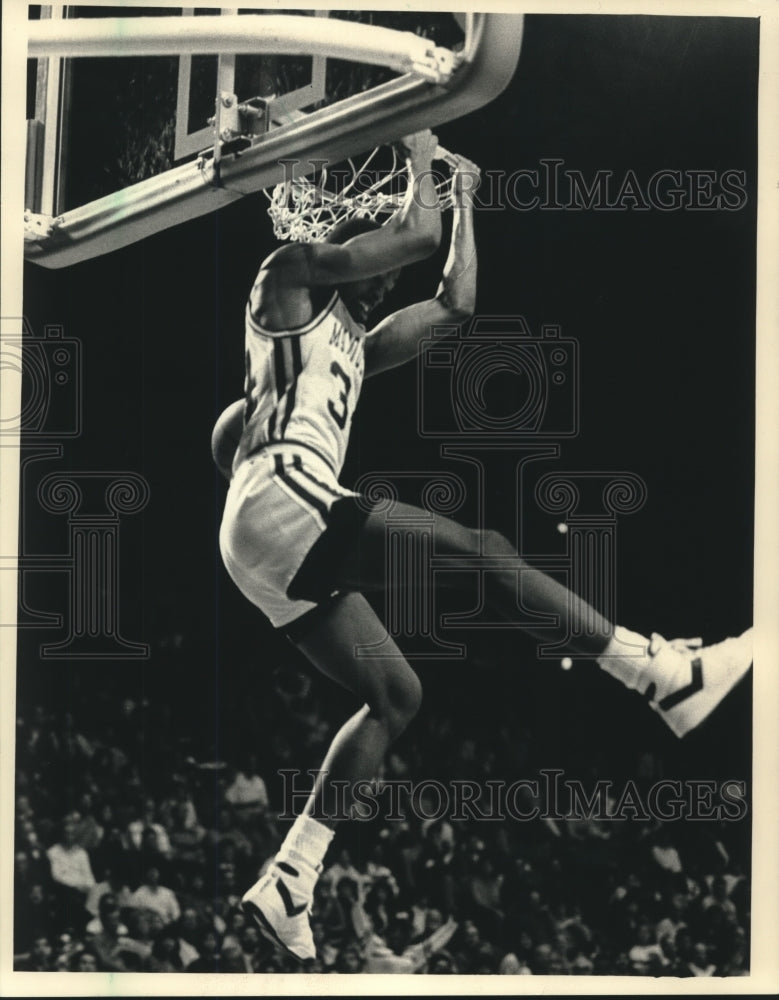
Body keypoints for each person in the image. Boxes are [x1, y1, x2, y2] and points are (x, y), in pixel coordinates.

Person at [213, 128, 752, 961]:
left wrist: (463, 197)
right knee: (484, 549)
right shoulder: (286, 276)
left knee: (397, 695)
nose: (385, 278)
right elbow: (414, 236)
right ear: (346, 252)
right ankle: (654, 672)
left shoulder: (355, 347)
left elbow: (454, 303)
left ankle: (291, 875)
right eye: (374, 263)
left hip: (264, 544)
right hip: (282, 497)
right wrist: (419, 145)